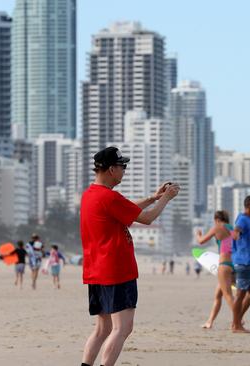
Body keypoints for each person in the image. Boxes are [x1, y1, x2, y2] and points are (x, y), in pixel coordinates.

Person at [80, 146, 179, 366]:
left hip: (96, 270)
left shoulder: (90, 195)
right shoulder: (109, 197)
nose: (124, 170)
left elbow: (128, 210)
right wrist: (167, 199)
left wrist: (154, 197)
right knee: (122, 328)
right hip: (116, 269)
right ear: (111, 170)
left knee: (102, 328)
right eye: (122, 166)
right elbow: (147, 219)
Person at [196, 210, 236, 329]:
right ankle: (210, 322)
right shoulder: (232, 228)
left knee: (228, 295)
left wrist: (198, 234)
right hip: (234, 264)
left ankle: (239, 318)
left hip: (224, 264)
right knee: (218, 295)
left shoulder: (218, 227)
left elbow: (201, 241)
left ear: (217, 220)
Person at [230, 195, 250, 333]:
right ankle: (236, 325)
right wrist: (236, 233)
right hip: (243, 262)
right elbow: (237, 229)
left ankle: (237, 320)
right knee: (240, 294)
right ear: (249, 206)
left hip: (249, 263)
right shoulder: (243, 219)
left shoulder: (249, 220)